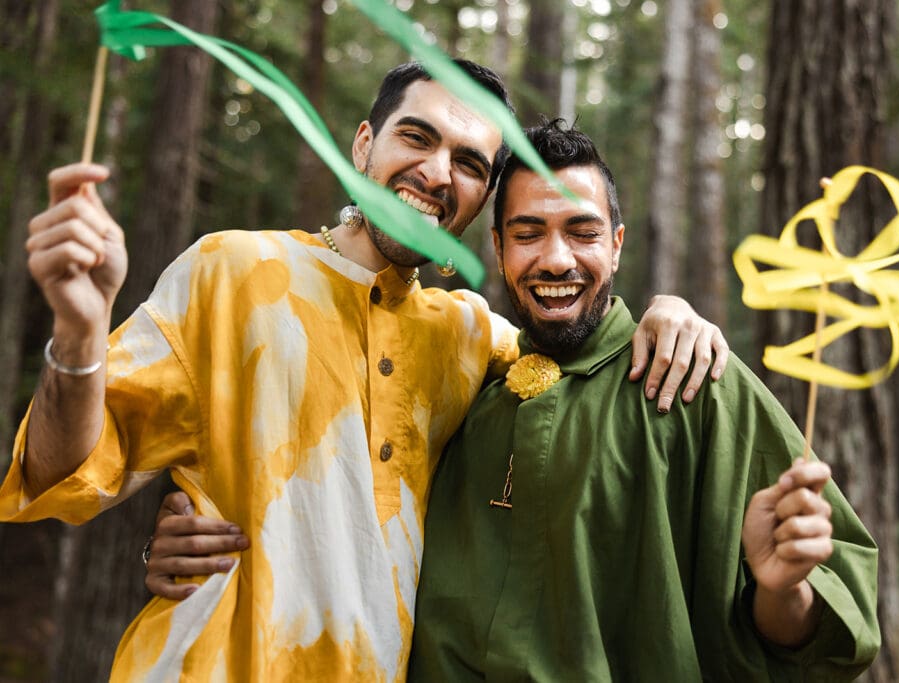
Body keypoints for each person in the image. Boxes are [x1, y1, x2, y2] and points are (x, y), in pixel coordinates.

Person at [0, 61, 727, 681]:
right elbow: (59, 474)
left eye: (471, 164)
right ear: (364, 144)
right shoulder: (230, 270)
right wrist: (78, 327)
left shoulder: (472, 336)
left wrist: (668, 310)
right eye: (418, 136)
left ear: (481, 207)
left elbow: (582, 365)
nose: (437, 173)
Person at [148, 120, 880, 680]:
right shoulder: (462, 384)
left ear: (617, 245)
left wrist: (784, 590)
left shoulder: (691, 382)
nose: (556, 259)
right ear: (498, 250)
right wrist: (181, 542)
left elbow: (825, 636)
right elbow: (333, 504)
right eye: (528, 233)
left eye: (582, 232)